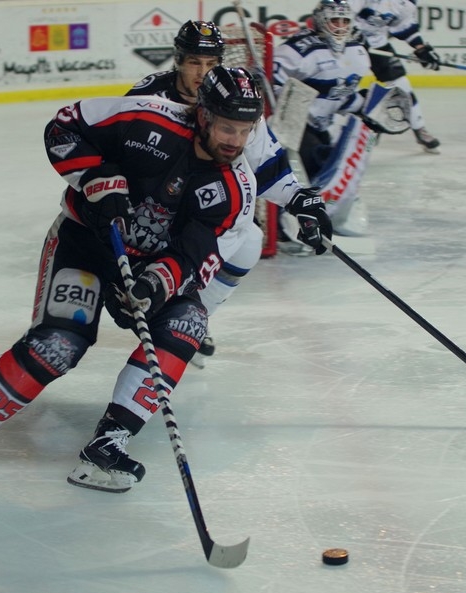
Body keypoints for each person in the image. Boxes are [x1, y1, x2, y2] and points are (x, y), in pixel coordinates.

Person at [0, 66, 330, 493]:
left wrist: (155, 284)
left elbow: (193, 255)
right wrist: (93, 177)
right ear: (205, 116)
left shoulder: (235, 189)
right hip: (84, 245)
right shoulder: (146, 118)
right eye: (227, 127)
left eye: (245, 130)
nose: (235, 140)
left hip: (145, 266)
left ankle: (106, 444)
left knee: (188, 324)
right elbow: (64, 126)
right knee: (61, 343)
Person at [128, 20, 333, 366]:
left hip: (199, 211)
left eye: (211, 64)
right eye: (194, 62)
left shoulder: (233, 98)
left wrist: (300, 200)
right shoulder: (148, 97)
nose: (202, 73)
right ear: (178, 60)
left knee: (250, 237)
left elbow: (266, 163)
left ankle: (191, 316)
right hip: (147, 213)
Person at [273, 0, 386, 235]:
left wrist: (367, 107)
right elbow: (272, 83)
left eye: (345, 21)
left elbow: (341, 96)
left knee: (327, 172)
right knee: (299, 174)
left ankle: (313, 216)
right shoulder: (298, 49)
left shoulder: (357, 52)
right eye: (335, 20)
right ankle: (285, 225)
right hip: (294, 126)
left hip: (322, 126)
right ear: (321, 20)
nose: (340, 26)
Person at [348, 0, 441, 152]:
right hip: (346, 44)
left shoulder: (406, 2)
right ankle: (343, 133)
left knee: (401, 85)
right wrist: (351, 31)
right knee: (344, 86)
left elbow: (404, 25)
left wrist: (421, 48)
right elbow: (341, 11)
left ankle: (419, 128)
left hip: (377, 44)